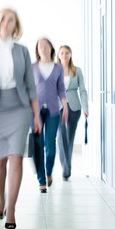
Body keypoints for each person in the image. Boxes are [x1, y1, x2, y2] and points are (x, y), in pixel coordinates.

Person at [0, 8, 41, 229]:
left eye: (11, 19)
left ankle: (11, 208)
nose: (6, 22)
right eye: (2, 18)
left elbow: (31, 85)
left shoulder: (22, 51)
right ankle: (1, 197)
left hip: (19, 107)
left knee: (16, 157)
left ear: (16, 26)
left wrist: (36, 114)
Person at [32, 38, 68, 193]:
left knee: (50, 147)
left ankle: (48, 172)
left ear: (51, 48)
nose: (43, 48)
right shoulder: (32, 67)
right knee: (38, 146)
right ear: (37, 49)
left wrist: (65, 106)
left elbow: (61, 89)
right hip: (35, 112)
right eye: (40, 45)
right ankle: (41, 180)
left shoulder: (58, 68)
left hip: (53, 111)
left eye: (46, 45)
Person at [56, 45, 89, 181]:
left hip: (74, 107)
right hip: (58, 107)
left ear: (70, 55)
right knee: (61, 135)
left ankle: (66, 166)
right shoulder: (54, 71)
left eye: (67, 53)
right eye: (62, 53)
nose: (64, 55)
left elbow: (82, 90)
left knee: (70, 137)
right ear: (58, 55)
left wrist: (85, 108)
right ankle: (66, 165)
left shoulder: (77, 71)